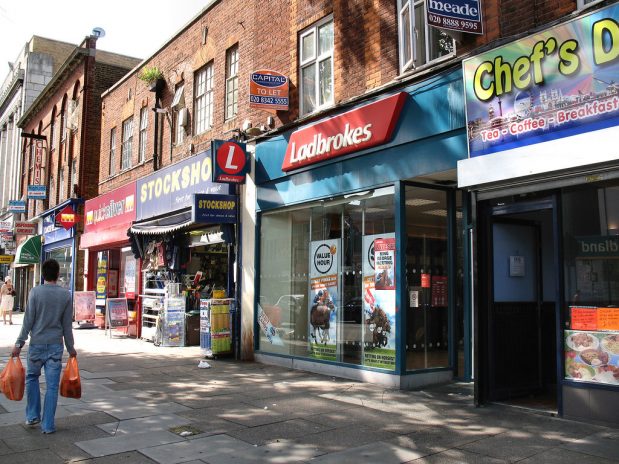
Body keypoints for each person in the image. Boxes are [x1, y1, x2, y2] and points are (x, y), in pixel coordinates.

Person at [11, 259, 77, 434]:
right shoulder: (65, 295)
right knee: (52, 386)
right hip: (55, 346)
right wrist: (71, 349)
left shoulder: (35, 292)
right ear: (57, 275)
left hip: (36, 346)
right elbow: (66, 326)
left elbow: (28, 321)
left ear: (43, 275)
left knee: (32, 378)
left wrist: (19, 343)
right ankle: (48, 425)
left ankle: (33, 415)